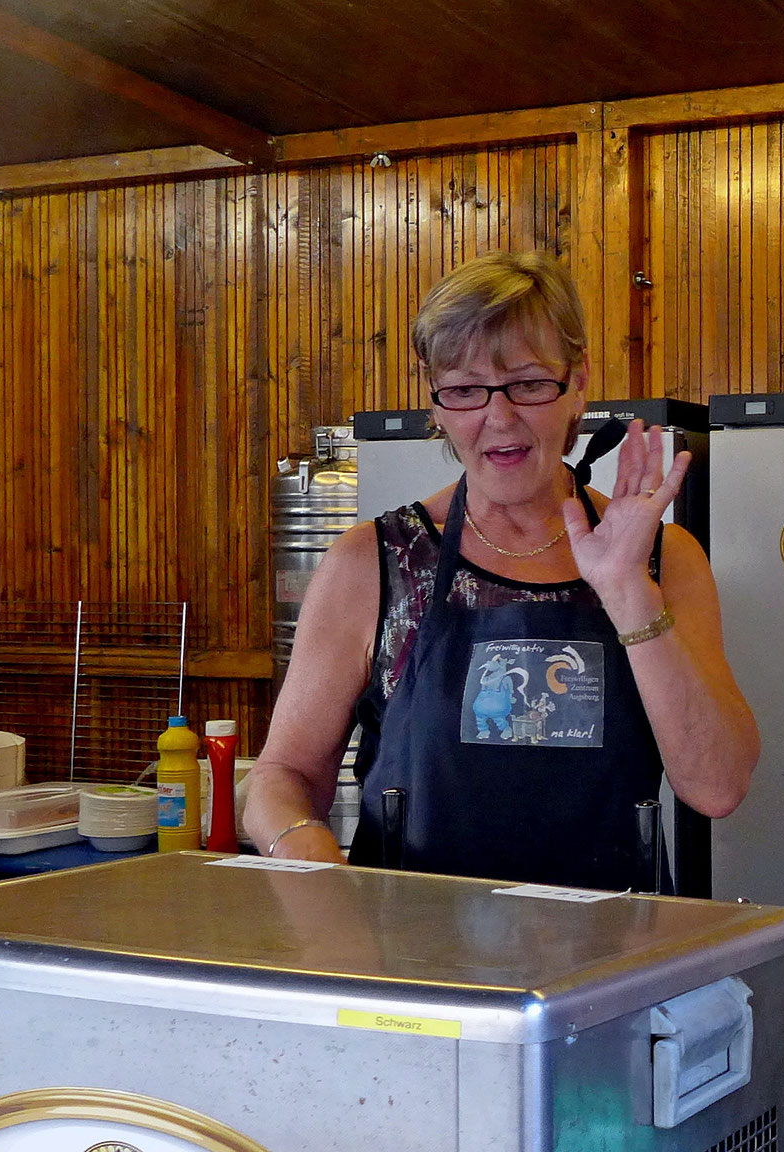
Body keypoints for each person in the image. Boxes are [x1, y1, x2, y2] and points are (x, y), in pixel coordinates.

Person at [245, 251, 758, 888]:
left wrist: (628, 591)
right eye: (463, 390)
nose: (498, 416)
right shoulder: (373, 562)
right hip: (413, 958)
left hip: (611, 964)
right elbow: (281, 777)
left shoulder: (664, 558)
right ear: (435, 404)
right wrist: (312, 863)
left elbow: (717, 786)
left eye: (529, 383)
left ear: (578, 383)